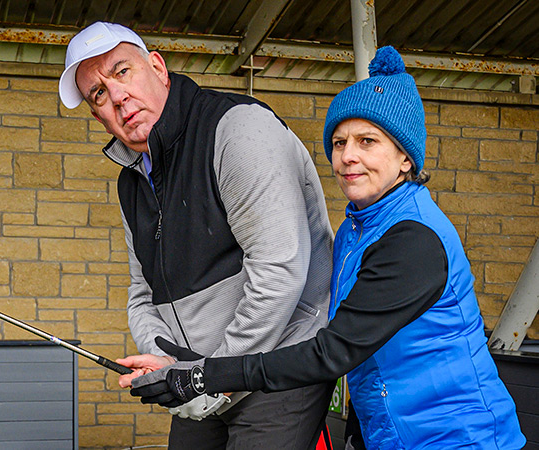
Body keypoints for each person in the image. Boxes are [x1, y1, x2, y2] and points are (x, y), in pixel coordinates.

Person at [129, 46, 527, 449]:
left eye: (367, 141)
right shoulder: (359, 228)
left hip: (458, 437)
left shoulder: (413, 239)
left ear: (405, 158)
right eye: (339, 143)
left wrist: (205, 374)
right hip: (394, 433)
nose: (348, 156)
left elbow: (332, 352)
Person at [58, 22, 336, 448]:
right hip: (203, 379)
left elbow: (279, 272)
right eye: (98, 93)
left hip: (279, 367)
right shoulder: (131, 181)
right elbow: (141, 292)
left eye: (122, 72)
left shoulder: (238, 131)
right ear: (98, 117)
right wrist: (169, 364)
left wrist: (205, 377)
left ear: (158, 67)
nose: (116, 96)